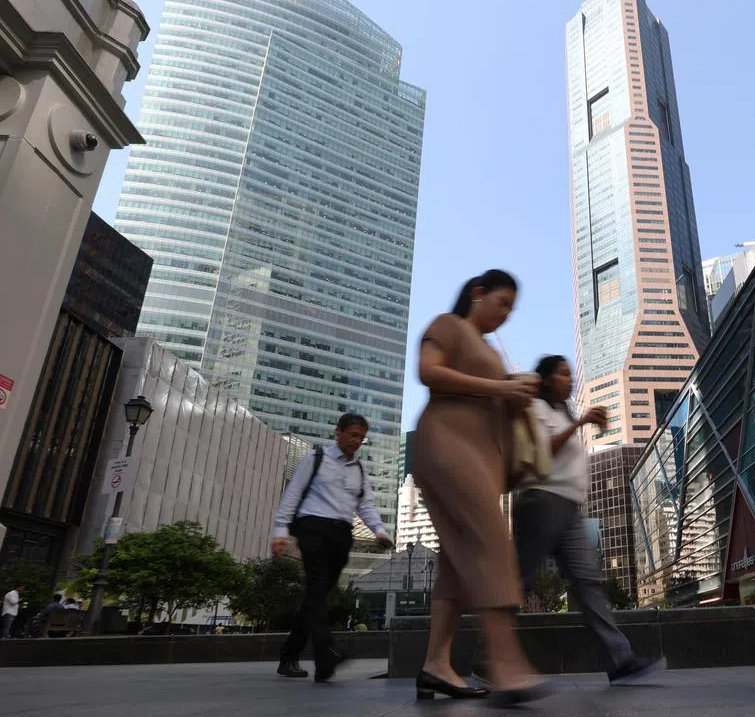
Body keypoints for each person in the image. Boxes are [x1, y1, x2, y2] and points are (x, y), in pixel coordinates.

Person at [412, 270, 548, 705]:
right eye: (503, 302)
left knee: (456, 562)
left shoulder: (490, 350)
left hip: (480, 457)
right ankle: (505, 664)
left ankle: (436, 664)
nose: (507, 314)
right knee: (491, 542)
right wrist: (500, 387)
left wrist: (516, 392)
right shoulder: (448, 325)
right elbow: (428, 372)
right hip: (446, 442)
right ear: (478, 293)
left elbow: (496, 404)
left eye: (512, 308)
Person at [511, 355, 664, 684]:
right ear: (547, 380)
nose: (571, 379)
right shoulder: (536, 408)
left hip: (568, 508)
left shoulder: (560, 413)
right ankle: (488, 660)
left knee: (589, 583)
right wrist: (580, 423)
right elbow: (541, 451)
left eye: (570, 373)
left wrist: (576, 422)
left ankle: (620, 660)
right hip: (540, 500)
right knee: (520, 580)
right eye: (563, 374)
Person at [271, 413, 394, 682]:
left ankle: (290, 655)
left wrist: (379, 530)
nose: (357, 441)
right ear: (338, 432)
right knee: (317, 588)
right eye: (353, 435)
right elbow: (293, 493)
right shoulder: (316, 459)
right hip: (312, 528)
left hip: (341, 534)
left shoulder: (359, 470)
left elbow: (365, 505)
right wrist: (280, 530)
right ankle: (326, 653)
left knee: (317, 596)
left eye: (362, 437)